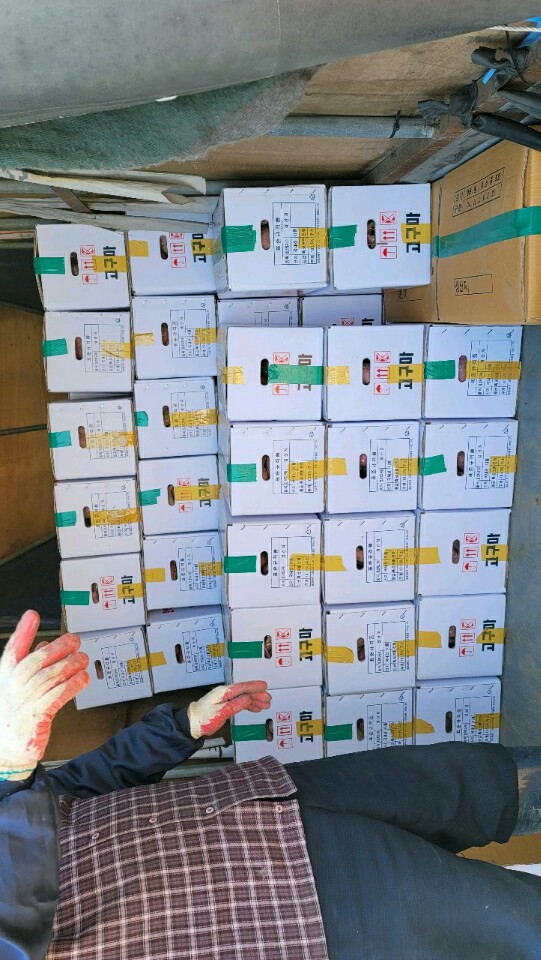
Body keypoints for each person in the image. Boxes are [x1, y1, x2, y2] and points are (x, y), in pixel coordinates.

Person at [1, 612, 540, 960]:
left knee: (462, 782)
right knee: (508, 918)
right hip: (287, 913)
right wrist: (8, 769)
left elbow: (69, 793)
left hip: (263, 803)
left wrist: (180, 728)